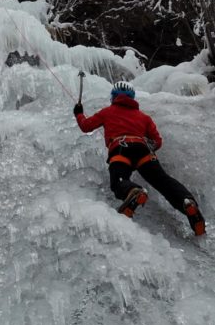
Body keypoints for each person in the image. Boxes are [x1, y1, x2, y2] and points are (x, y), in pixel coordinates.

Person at [74, 81, 206, 236]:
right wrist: (148, 147)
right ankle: (187, 202)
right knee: (163, 181)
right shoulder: (144, 117)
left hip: (121, 149)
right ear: (132, 98)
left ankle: (133, 191)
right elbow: (157, 141)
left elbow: (86, 126)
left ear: (114, 97)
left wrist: (79, 112)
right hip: (144, 151)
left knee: (118, 180)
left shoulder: (107, 112)